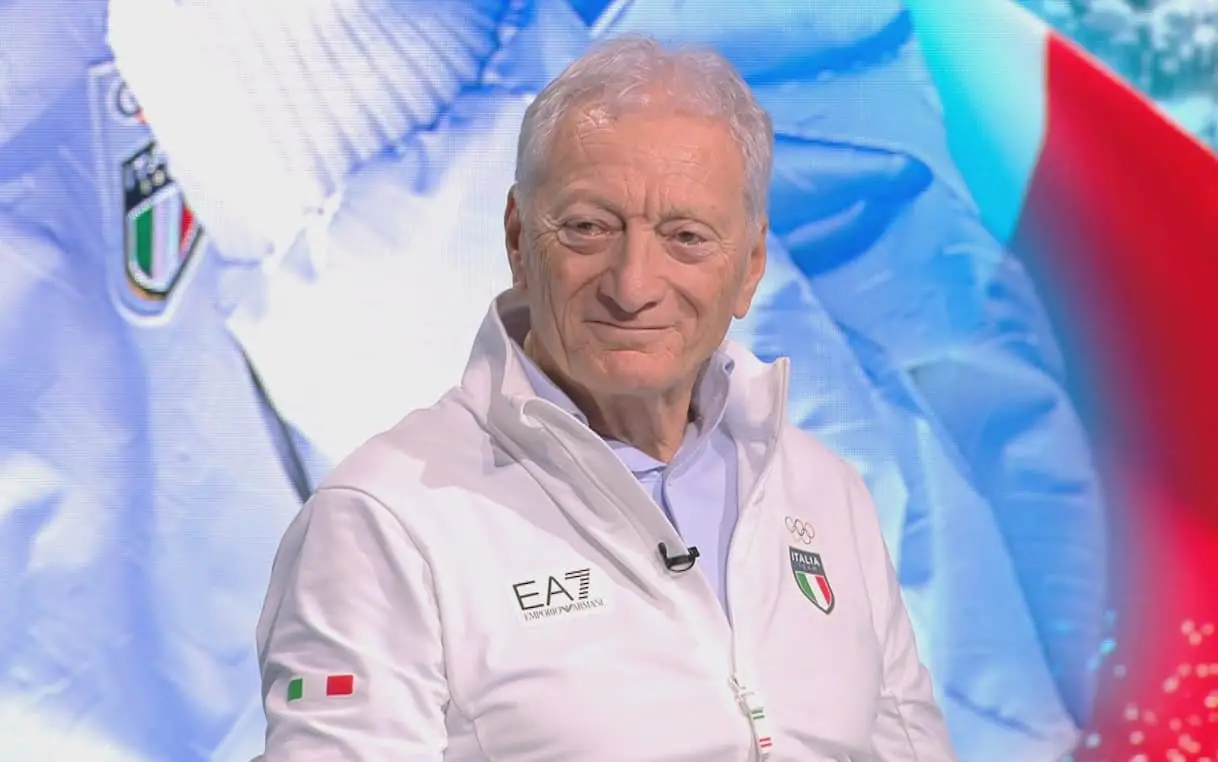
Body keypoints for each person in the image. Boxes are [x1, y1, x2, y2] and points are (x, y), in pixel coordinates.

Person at [255, 35, 957, 761]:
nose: (633, 285)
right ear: (518, 240)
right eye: (589, 229)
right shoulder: (387, 519)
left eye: (686, 237)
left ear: (750, 265)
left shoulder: (825, 493)